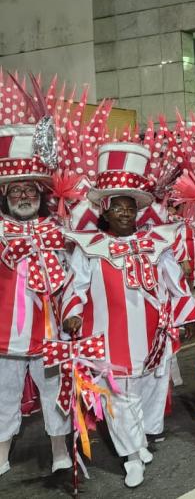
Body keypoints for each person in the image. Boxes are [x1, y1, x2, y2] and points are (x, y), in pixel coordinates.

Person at [62, 143, 195, 488]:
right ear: (104, 213)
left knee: (151, 393)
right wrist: (72, 315)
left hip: (154, 338)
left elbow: (175, 282)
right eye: (117, 207)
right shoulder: (89, 248)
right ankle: (132, 456)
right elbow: (73, 289)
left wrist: (186, 315)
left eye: (130, 207)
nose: (125, 212)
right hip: (109, 340)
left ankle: (142, 438)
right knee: (121, 400)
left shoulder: (154, 243)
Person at [0, 124, 71, 476]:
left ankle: (60, 450)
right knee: (2, 399)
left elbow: (74, 277)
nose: (25, 196)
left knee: (55, 395)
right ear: (6, 195)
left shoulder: (57, 230)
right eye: (17, 190)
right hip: (4, 337)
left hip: (50, 335)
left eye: (30, 189)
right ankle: (1, 455)